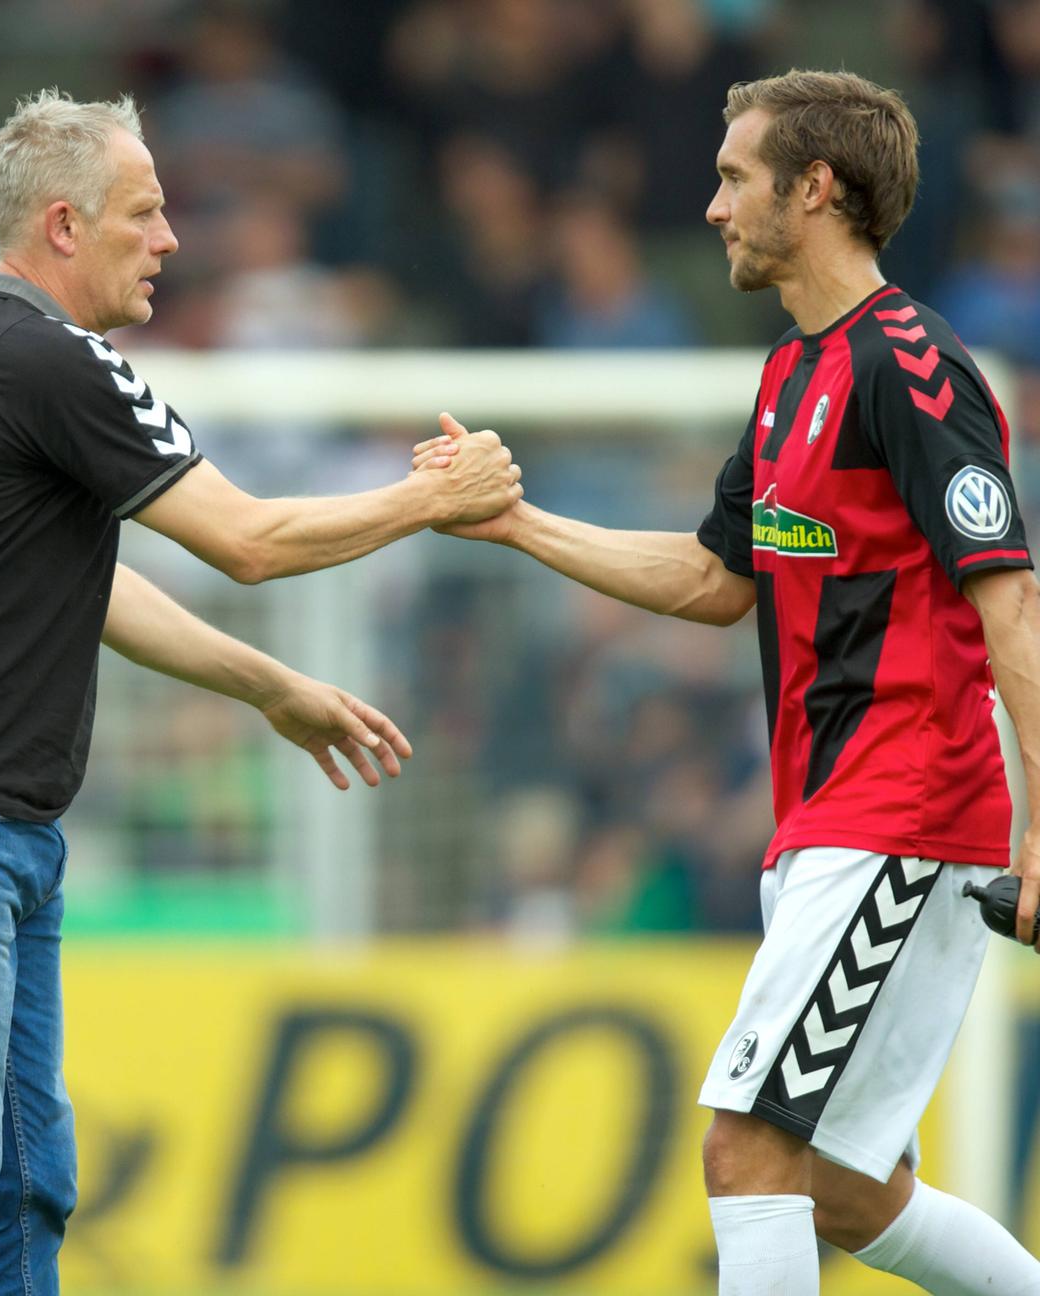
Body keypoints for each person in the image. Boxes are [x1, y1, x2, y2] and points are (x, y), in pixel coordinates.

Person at [414, 70, 1040, 1293]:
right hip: (827, 819)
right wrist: (518, 525)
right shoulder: (790, 376)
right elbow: (716, 578)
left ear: (816, 189)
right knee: (848, 1189)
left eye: (735, 178)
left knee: (747, 1150)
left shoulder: (913, 364)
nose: (712, 208)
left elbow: (1010, 605)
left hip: (904, 812)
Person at [0, 89, 521, 1294]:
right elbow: (249, 540)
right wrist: (430, 499)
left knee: (21, 1186)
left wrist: (271, 685)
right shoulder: (46, 357)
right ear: (64, 225)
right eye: (145, 212)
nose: (171, 238)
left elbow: (101, 590)